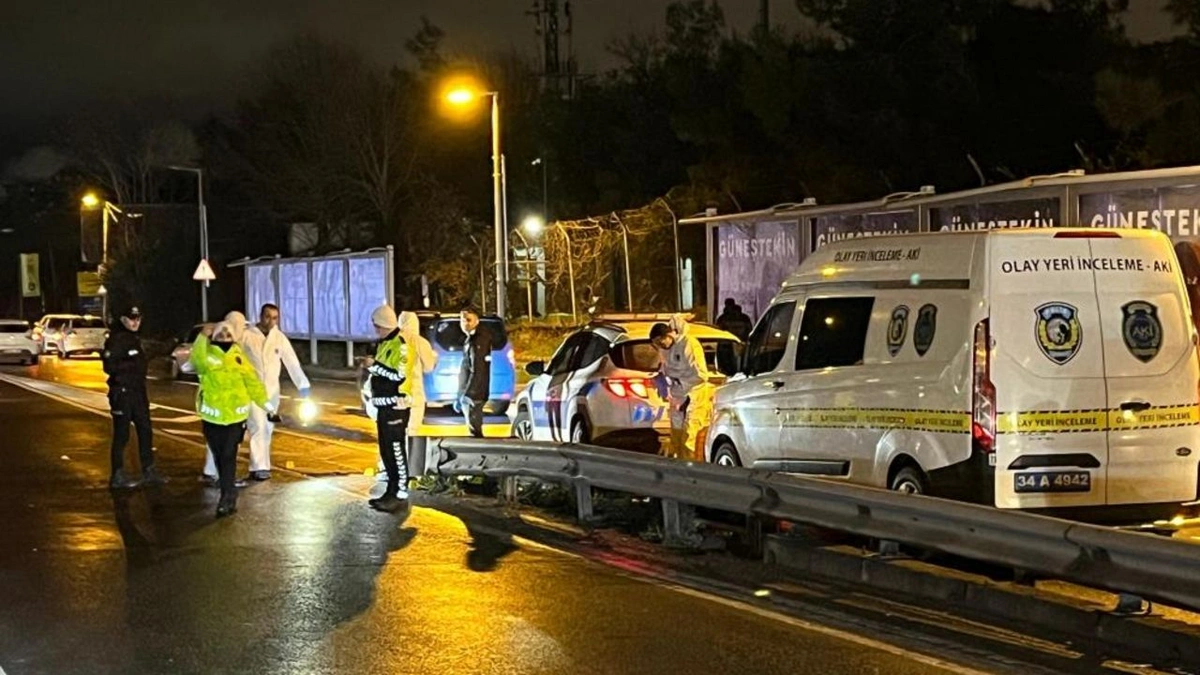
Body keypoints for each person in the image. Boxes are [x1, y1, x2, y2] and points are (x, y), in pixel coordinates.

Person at [191, 321, 275, 518]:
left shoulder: (239, 357)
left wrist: (268, 408)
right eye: (221, 335)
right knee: (219, 456)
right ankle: (228, 492)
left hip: (235, 418)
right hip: (212, 418)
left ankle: (227, 496)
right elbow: (198, 362)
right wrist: (202, 337)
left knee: (229, 455)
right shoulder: (208, 355)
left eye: (228, 335)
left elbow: (253, 384)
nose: (225, 338)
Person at [242, 304, 310, 481]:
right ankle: (259, 467)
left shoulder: (279, 338)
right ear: (260, 316)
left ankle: (261, 464)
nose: (270, 321)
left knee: (268, 428)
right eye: (267, 317)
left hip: (272, 392)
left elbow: (291, 361)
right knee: (258, 426)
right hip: (252, 391)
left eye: (274, 318)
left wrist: (302, 385)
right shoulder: (247, 335)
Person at [102, 304, 166, 489]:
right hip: (122, 392)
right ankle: (117, 474)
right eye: (132, 318)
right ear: (123, 320)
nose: (136, 322)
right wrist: (130, 364)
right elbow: (109, 366)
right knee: (121, 435)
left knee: (145, 431)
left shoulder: (134, 339)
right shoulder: (116, 339)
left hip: (138, 391)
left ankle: (149, 469)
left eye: (138, 318)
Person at [365, 305, 416, 512]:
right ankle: (390, 492)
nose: (375, 329)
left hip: (396, 406)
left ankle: (400, 494)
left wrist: (374, 366)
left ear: (382, 324)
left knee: (395, 451)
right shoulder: (385, 344)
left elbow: (399, 376)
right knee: (386, 451)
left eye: (376, 325)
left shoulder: (402, 345)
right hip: (384, 407)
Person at [650, 315, 714, 461]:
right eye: (657, 344)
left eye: (661, 341)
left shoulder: (689, 345)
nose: (661, 346)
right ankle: (678, 468)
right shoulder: (665, 349)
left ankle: (691, 471)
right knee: (676, 436)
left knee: (689, 437)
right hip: (677, 396)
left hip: (693, 394)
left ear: (668, 335)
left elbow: (701, 375)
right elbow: (665, 368)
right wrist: (661, 380)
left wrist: (679, 382)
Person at [455, 307, 491, 438]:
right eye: (462, 320)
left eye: (469, 320)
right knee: (473, 428)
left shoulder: (478, 340)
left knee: (474, 432)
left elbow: (478, 368)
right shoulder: (470, 338)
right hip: (470, 393)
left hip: (473, 395)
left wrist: (469, 393)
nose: (465, 323)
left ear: (477, 321)